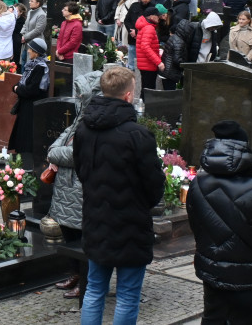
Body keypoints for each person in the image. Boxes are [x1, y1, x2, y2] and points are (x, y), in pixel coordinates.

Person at [73, 66, 165, 325]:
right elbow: (154, 185)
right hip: (131, 224)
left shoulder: (84, 130)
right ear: (127, 96)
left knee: (94, 289)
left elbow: (82, 172)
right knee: (126, 295)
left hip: (96, 220)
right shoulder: (138, 135)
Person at [187, 120, 252, 325]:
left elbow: (197, 227)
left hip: (213, 273)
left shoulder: (197, 184)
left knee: (213, 319)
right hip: (250, 278)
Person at [45, 70, 96, 299]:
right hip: (66, 190)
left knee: (84, 240)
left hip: (79, 192)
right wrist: (55, 150)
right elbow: (63, 137)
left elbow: (78, 154)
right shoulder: (80, 116)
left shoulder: (94, 121)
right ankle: (74, 273)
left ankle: (84, 282)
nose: (77, 97)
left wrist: (55, 153)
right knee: (69, 235)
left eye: (80, 93)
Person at [8, 38, 49, 155]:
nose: (29, 51)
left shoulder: (40, 67)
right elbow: (22, 83)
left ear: (36, 52)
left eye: (30, 49)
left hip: (32, 106)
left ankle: (25, 159)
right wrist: (17, 87)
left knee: (27, 135)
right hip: (25, 104)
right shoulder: (31, 65)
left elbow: (32, 90)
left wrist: (17, 89)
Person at [136, 5, 166, 99]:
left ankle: (142, 110)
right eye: (157, 15)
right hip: (148, 65)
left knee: (145, 89)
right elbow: (145, 47)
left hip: (145, 64)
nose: (159, 17)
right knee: (148, 91)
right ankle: (146, 112)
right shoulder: (149, 28)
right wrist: (159, 62)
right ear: (151, 16)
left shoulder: (144, 26)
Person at [20, 0, 48, 66]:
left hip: (35, 44)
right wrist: (22, 34)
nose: (29, 2)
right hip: (26, 43)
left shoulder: (42, 15)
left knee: (30, 65)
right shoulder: (30, 12)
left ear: (38, 3)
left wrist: (25, 37)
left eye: (32, 1)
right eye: (30, 1)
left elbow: (38, 30)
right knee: (23, 63)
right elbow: (25, 25)